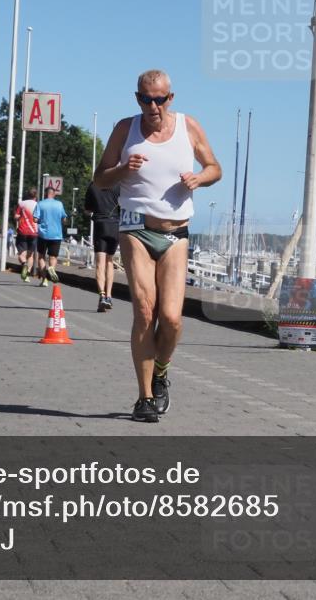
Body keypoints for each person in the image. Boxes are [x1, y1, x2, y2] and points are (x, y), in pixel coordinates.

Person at [94, 69, 221, 422]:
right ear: (137, 98)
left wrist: (200, 178)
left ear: (171, 98)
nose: (154, 106)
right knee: (145, 313)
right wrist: (122, 170)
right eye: (147, 99)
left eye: (160, 99)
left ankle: (162, 371)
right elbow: (100, 178)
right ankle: (144, 396)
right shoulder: (125, 129)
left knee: (172, 319)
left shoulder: (187, 127)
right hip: (135, 229)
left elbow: (215, 167)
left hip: (176, 234)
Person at [84, 183, 120, 312]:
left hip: (100, 225)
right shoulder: (118, 185)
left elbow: (87, 210)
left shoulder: (93, 186)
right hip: (115, 225)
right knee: (110, 261)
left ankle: (102, 296)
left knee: (100, 263)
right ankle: (109, 296)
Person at [33, 185, 67, 287]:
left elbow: (35, 219)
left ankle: (44, 280)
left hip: (43, 235)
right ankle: (51, 268)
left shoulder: (40, 204)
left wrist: (41, 220)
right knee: (53, 256)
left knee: (41, 256)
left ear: (45, 194)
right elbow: (64, 219)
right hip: (56, 234)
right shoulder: (59, 204)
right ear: (53, 194)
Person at [14, 187, 39, 282]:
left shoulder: (21, 204)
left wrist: (22, 217)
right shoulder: (38, 205)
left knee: (22, 254)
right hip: (34, 233)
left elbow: (16, 217)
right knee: (31, 255)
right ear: (35, 196)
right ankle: (27, 274)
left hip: (22, 231)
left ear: (27, 194)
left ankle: (24, 264)